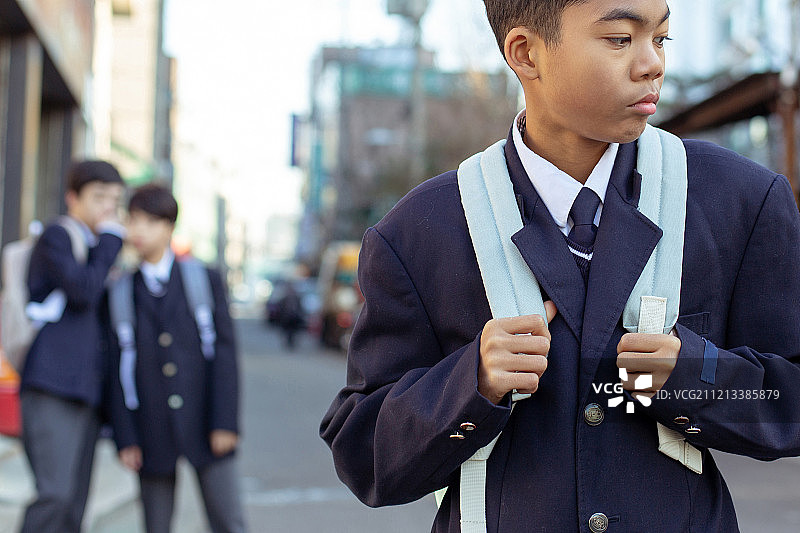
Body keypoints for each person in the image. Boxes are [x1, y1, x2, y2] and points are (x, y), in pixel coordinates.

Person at [320, 1, 800, 531]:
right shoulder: (418, 231)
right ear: (525, 53)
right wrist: (469, 383)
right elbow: (363, 456)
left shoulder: (740, 200)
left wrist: (693, 377)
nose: (652, 64)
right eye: (620, 39)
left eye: (661, 38)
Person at [104, 184, 246, 533]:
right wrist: (125, 437)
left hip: (206, 420)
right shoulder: (121, 290)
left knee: (229, 521)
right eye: (133, 220)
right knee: (155, 525)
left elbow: (225, 354)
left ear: (169, 226)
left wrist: (226, 422)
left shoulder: (203, 279)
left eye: (149, 222)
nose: (138, 230)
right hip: (150, 427)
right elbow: (116, 367)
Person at [19, 160, 126, 533]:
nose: (108, 209)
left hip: (86, 390)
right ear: (72, 198)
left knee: (75, 507)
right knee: (56, 496)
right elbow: (81, 290)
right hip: (51, 384)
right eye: (98, 198)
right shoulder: (58, 236)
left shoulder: (97, 247)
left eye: (114, 200)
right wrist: (111, 242)